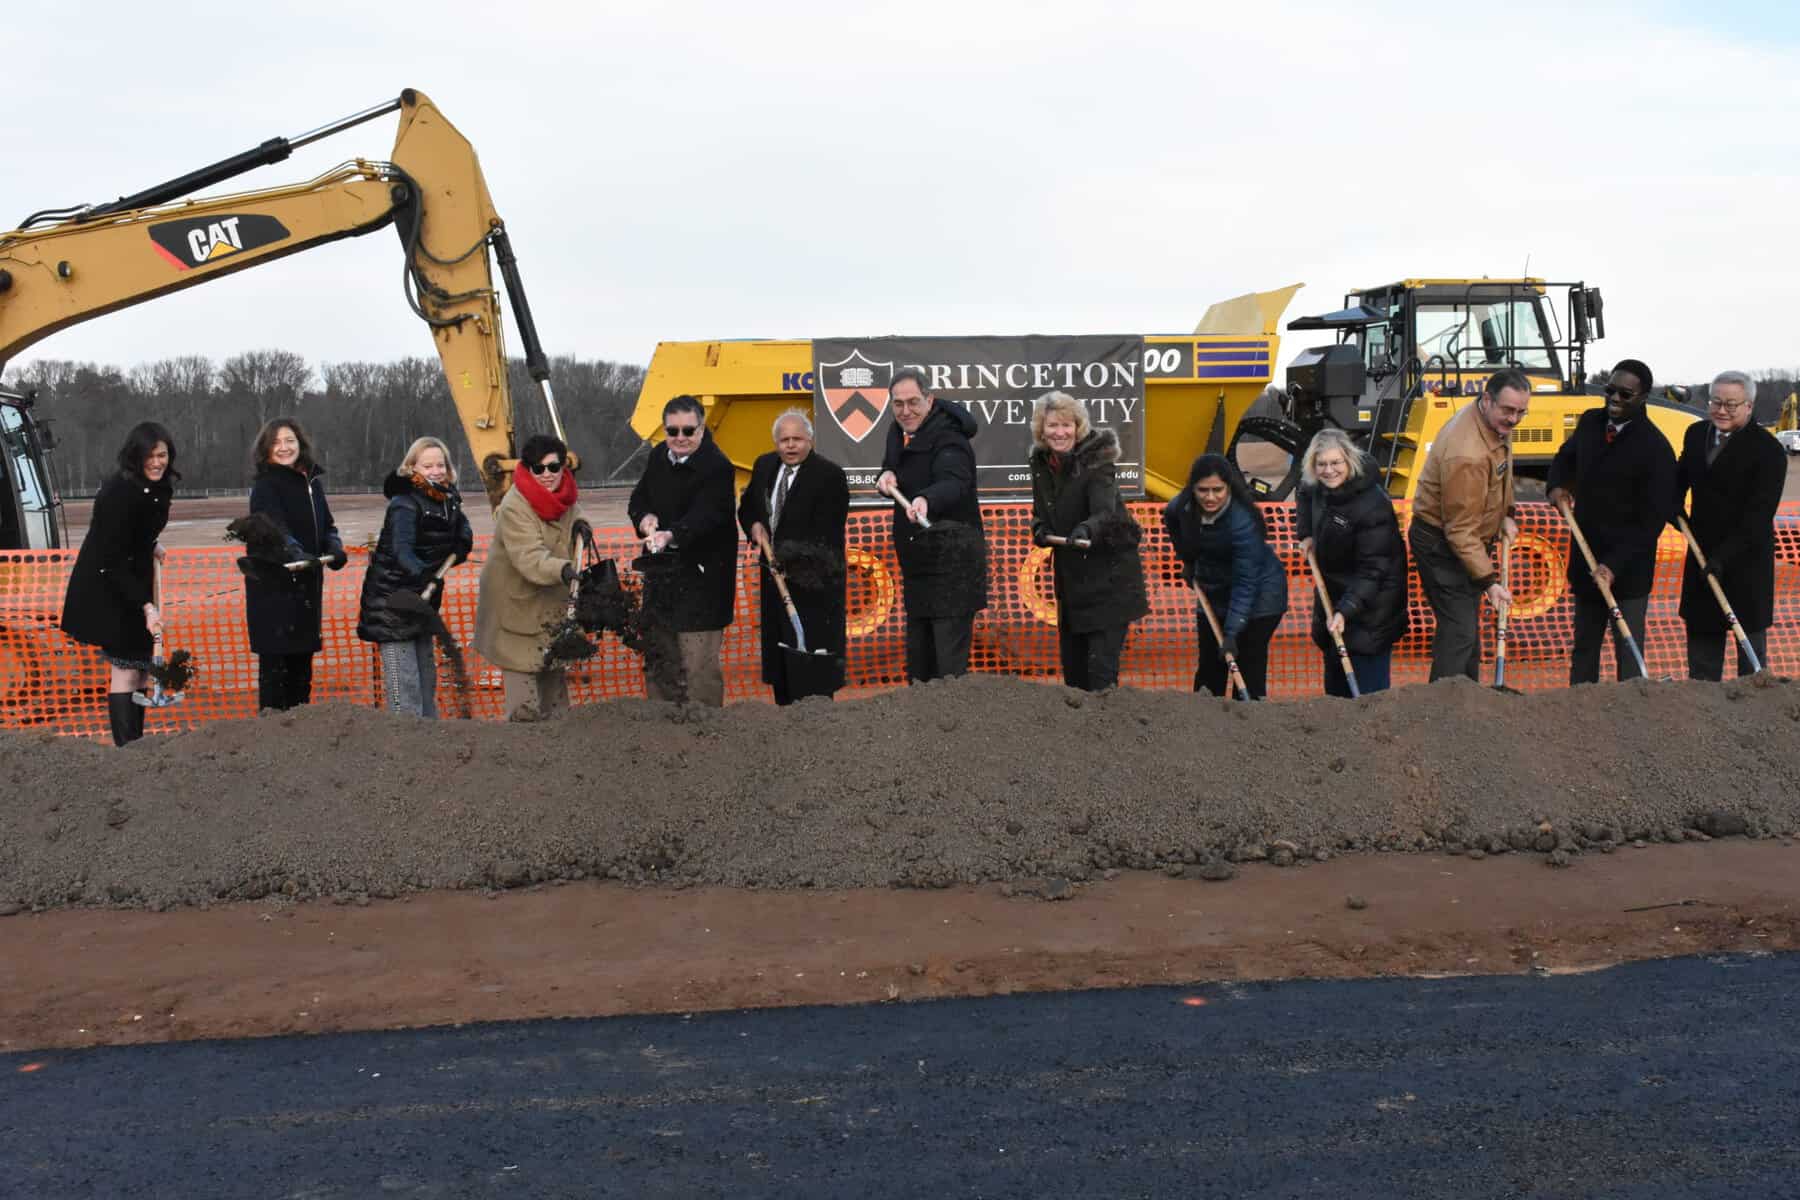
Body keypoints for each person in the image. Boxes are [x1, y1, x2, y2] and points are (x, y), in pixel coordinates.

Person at [1546, 358, 1677, 684]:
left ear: (1643, 397)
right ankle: (1580, 711)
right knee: (1584, 647)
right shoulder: (1591, 422)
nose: (1615, 398)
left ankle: (1632, 718)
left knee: (1629, 653)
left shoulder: (1656, 448)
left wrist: (1613, 565)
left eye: (1625, 394)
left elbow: (1651, 522)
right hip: (1587, 558)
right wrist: (1557, 486)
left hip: (1628, 569)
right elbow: (1565, 457)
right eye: (1610, 390)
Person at [60, 422, 176, 745]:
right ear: (135, 457)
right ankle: (127, 751)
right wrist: (147, 606)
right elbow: (112, 553)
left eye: (162, 455)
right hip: (108, 585)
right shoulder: (118, 492)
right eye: (150, 455)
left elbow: (136, 530)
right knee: (126, 669)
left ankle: (136, 744)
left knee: (140, 667)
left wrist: (150, 542)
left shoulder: (159, 487)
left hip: (132, 576)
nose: (157, 462)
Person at [1407, 369, 1526, 681]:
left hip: (1464, 538)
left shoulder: (1492, 424)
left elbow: (1503, 468)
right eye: (1508, 410)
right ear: (1487, 400)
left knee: (1466, 629)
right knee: (1459, 630)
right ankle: (1442, 708)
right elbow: (1459, 530)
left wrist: (1507, 513)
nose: (1514, 419)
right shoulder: (1467, 455)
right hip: (1440, 543)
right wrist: (1488, 582)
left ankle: (1467, 704)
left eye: (1520, 412)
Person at [1027, 391, 1147, 691]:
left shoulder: (1097, 463)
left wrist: (1085, 530)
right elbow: (1040, 511)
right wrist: (1039, 527)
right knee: (1074, 675)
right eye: (1052, 426)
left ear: (1078, 426)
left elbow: (1105, 512)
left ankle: (1108, 733)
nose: (1060, 433)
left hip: (1109, 580)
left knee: (1101, 676)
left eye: (1066, 425)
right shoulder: (1041, 464)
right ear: (1041, 430)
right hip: (1072, 584)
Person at [875, 367, 987, 682]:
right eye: (898, 404)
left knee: (948, 666)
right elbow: (893, 467)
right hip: (919, 563)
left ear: (929, 400)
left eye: (913, 402)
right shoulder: (897, 432)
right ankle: (922, 727)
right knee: (920, 662)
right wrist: (884, 476)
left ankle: (953, 727)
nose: (905, 410)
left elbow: (955, 481)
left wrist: (927, 499)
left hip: (953, 561)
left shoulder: (949, 437)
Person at [1674, 369, 1785, 680]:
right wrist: (1673, 506)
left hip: (1745, 564)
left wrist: (1723, 558)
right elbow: (1681, 477)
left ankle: (1751, 719)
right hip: (1701, 557)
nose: (1721, 410)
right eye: (1716, 401)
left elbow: (1758, 516)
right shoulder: (1696, 435)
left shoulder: (1768, 451)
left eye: (1731, 404)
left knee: (1750, 665)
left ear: (1749, 406)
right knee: (1703, 661)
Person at [628, 395, 739, 706]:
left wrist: (672, 534)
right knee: (660, 660)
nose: (680, 438)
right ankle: (663, 730)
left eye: (688, 431)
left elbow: (710, 515)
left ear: (701, 430)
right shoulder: (658, 457)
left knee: (698, 668)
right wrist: (644, 519)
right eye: (672, 431)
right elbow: (639, 499)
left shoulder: (718, 467)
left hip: (703, 583)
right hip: (661, 580)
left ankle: (706, 731)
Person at [355, 436, 475, 717]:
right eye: (428, 465)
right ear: (412, 467)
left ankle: (427, 741)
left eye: (440, 464)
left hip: (422, 602)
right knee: (404, 686)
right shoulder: (404, 504)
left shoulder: (448, 499)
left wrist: (462, 545)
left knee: (426, 680)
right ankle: (404, 745)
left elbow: (462, 530)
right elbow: (401, 550)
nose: (436, 471)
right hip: (393, 604)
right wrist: (424, 576)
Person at [738, 409, 850, 704]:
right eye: (784, 439)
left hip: (814, 587)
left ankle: (817, 721)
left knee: (812, 670)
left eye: (797, 439)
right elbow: (747, 506)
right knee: (782, 663)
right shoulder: (764, 466)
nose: (790, 446)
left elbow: (826, 536)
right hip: (774, 587)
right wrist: (753, 525)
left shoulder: (830, 476)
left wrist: (789, 562)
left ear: (810, 441)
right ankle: (785, 717)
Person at [473, 434, 586, 720]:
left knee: (555, 690)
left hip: (550, 604)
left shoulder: (566, 496)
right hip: (515, 606)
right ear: (527, 468)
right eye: (538, 468)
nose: (547, 474)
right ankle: (521, 756)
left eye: (553, 467)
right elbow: (529, 558)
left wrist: (583, 526)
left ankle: (558, 746)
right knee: (524, 704)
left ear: (563, 467)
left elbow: (574, 516)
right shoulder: (515, 505)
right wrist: (562, 568)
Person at [1293, 429, 1408, 697]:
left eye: (1336, 463)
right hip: (1335, 598)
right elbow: (1304, 493)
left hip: (1372, 608)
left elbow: (1373, 571)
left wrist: (1346, 610)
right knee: (1336, 691)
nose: (1329, 470)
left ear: (1349, 461)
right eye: (1321, 464)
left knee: (1368, 695)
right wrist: (1306, 533)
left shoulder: (1372, 505)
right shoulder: (1317, 486)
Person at [1161, 454, 1287, 698]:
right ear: (1193, 488)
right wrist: (1187, 560)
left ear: (1228, 487)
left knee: (1246, 664)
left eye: (1217, 490)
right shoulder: (1184, 506)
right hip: (1214, 589)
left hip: (1260, 598)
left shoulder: (1242, 523)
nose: (1210, 497)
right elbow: (1171, 518)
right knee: (1210, 668)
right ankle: (1207, 724)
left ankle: (1247, 723)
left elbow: (1246, 583)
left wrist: (1232, 633)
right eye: (1203, 490)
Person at [244, 417, 345, 711]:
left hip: (307, 592)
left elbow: (327, 525)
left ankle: (299, 738)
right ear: (266, 449)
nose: (284, 447)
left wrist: (333, 545)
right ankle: (273, 740)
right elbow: (273, 529)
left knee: (301, 674)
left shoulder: (312, 482)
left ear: (300, 444)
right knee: (276, 674)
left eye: (289, 441)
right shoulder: (265, 486)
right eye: (276, 442)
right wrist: (296, 552)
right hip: (274, 593)